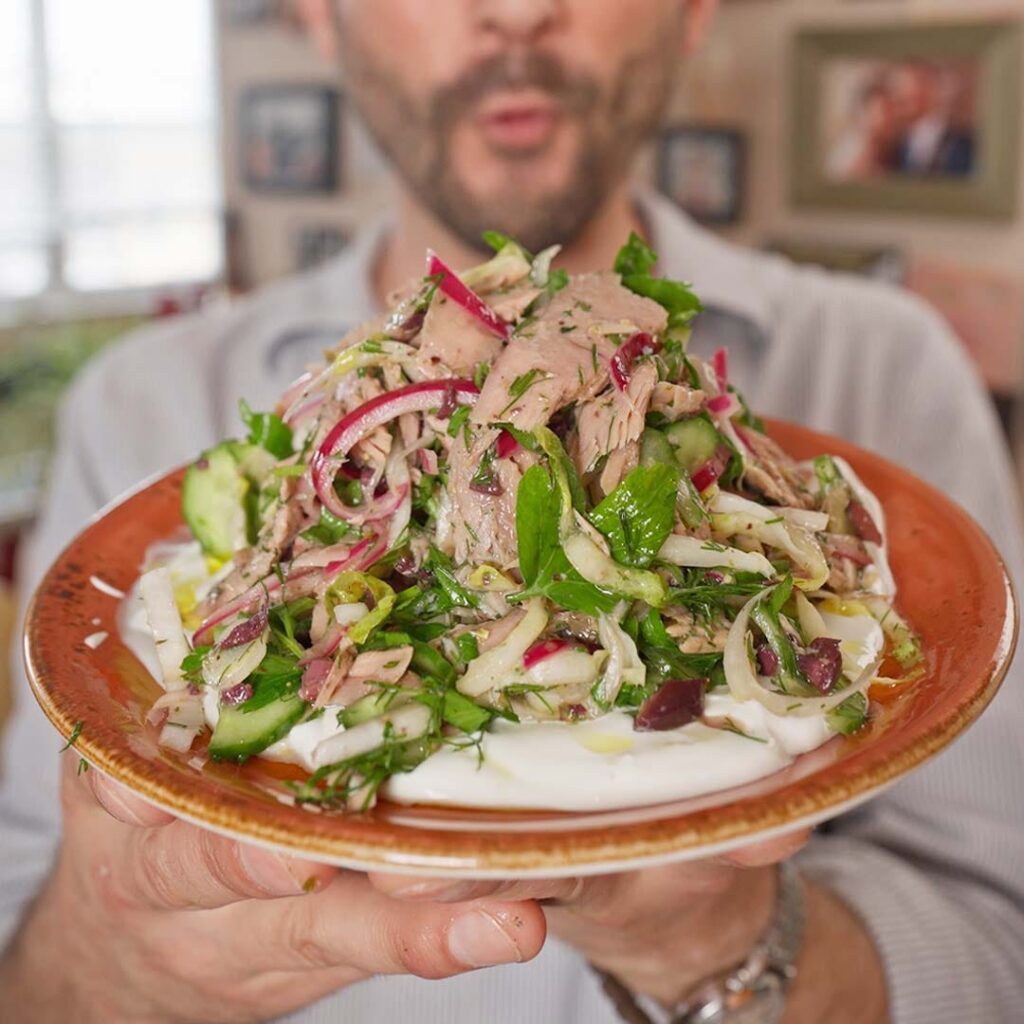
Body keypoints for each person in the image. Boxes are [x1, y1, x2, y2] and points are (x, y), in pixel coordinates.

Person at [2, 1, 1022, 1021]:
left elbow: (1000, 949)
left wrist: (726, 952)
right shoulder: (132, 407)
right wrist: (109, 969)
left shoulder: (893, 369)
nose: (518, 9)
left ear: (692, 13)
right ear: (320, 17)